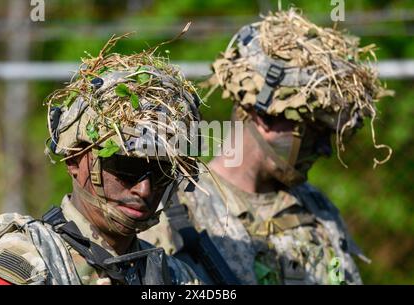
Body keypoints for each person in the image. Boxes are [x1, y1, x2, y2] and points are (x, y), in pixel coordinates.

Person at [139, 9, 393, 284]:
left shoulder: (316, 209)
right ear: (263, 116)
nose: (323, 149)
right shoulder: (175, 211)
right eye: (312, 132)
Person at [0, 35, 204, 285]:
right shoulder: (26, 267)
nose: (144, 189)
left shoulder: (176, 277)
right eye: (127, 167)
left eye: (162, 172)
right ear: (74, 158)